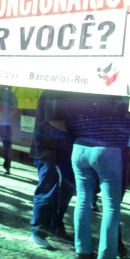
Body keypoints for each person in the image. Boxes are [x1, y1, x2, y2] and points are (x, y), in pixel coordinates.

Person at [64, 93, 129, 259]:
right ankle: (107, 258)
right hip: (107, 148)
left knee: (83, 199)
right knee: (111, 205)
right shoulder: (118, 95)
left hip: (80, 147)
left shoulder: (85, 91)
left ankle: (82, 250)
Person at [28, 89, 75, 250]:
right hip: (46, 149)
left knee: (70, 184)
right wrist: (80, 130)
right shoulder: (52, 92)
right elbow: (55, 121)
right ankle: (38, 230)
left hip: (62, 149)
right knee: (48, 186)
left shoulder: (67, 93)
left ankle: (56, 224)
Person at [0, 86, 18, 175]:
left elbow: (15, 108)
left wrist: (6, 114)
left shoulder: (10, 94)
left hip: (5, 125)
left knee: (7, 146)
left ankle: (7, 167)